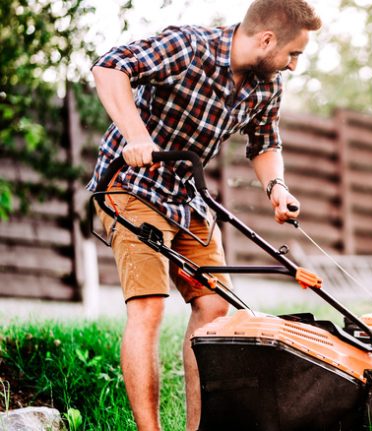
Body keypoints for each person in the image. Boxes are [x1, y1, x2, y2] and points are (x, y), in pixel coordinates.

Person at [86, 1, 322, 429]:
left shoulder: (265, 85)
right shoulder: (190, 46)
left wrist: (277, 188)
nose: (293, 65)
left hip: (189, 196)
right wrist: (136, 135)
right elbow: (109, 67)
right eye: (293, 54)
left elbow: (265, 143)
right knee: (149, 308)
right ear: (266, 40)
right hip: (132, 187)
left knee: (215, 310)